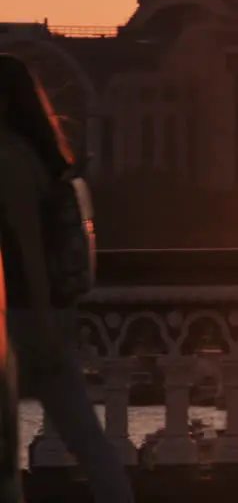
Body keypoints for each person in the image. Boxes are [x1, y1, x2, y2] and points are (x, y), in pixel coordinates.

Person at [0, 54, 134, 503]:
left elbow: (27, 251)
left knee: (68, 433)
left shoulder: (10, 160)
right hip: (46, 312)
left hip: (23, 317)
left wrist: (39, 324)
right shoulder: (40, 155)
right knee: (83, 432)